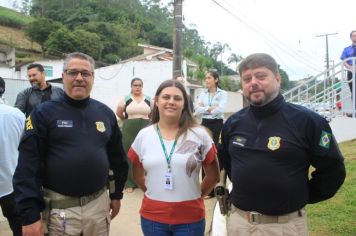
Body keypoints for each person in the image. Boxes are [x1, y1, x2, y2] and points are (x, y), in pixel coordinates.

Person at [218, 53, 346, 236]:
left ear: (277, 79)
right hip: (239, 224)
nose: (253, 82)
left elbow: (333, 170)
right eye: (247, 79)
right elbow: (227, 161)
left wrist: (301, 195)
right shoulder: (232, 123)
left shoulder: (308, 121)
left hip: (285, 227)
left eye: (261, 76)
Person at [13, 52, 128, 236]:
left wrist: (116, 195)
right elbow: (28, 167)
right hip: (59, 213)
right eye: (73, 72)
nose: (79, 78)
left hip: (98, 209)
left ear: (93, 77)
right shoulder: (42, 114)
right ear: (64, 76)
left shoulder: (105, 114)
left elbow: (118, 159)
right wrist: (30, 215)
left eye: (85, 73)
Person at [128, 80, 220, 236]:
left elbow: (214, 175)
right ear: (156, 101)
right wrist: (154, 194)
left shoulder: (200, 135)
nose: (171, 102)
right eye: (166, 97)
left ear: (185, 103)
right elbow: (137, 174)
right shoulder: (144, 135)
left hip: (190, 218)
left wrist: (196, 196)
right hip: (153, 218)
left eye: (177, 98)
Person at [116, 78, 151, 193]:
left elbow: (153, 113)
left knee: (145, 154)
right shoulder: (126, 99)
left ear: (142, 87)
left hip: (145, 128)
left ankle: (145, 180)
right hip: (129, 128)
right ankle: (129, 183)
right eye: (135, 85)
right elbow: (119, 112)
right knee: (130, 154)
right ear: (131, 86)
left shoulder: (148, 99)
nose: (137, 87)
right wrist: (127, 121)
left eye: (139, 85)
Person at [195, 70, 227, 198]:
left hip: (218, 124)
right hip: (205, 123)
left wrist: (205, 107)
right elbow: (197, 109)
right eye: (206, 78)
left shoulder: (222, 94)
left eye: (209, 78)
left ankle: (218, 186)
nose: (206, 80)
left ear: (216, 79)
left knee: (217, 152)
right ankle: (208, 190)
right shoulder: (202, 94)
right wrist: (210, 108)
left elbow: (221, 109)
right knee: (204, 152)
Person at [0, 77, 26, 236]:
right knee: (18, 224)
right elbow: (28, 149)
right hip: (11, 183)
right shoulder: (17, 115)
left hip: (11, 184)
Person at [340, 30, 356, 111]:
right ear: (351, 37)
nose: (355, 37)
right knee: (353, 92)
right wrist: (350, 67)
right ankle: (355, 110)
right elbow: (343, 61)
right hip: (351, 72)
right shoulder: (346, 49)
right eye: (353, 35)